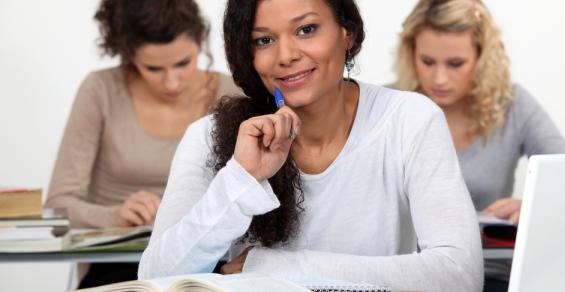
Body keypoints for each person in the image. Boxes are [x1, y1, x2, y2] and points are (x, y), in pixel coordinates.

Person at [139, 0, 483, 291]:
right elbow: (157, 280)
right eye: (263, 40)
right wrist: (241, 178)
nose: (285, 55)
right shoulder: (209, 136)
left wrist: (274, 268)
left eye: (306, 30)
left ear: (346, 33)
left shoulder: (410, 120)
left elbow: (460, 274)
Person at [44, 0, 240, 288]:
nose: (172, 82)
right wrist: (115, 215)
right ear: (129, 56)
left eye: (183, 63)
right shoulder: (101, 91)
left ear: (200, 42)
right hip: (119, 267)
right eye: (153, 68)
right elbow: (58, 206)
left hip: (210, 261)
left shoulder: (231, 94)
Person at [392, 0, 565, 291]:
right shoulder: (389, 106)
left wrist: (535, 206)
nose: (439, 79)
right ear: (410, 52)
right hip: (407, 275)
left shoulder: (512, 106)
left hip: (492, 275)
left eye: (455, 64)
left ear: (482, 56)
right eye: (427, 62)